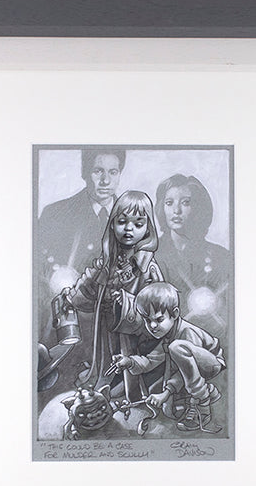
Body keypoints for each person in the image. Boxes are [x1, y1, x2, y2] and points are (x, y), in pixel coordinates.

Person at [62, 190, 164, 398]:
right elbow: (89, 288)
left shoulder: (147, 267)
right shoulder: (108, 260)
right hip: (106, 329)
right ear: (112, 224)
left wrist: (126, 303)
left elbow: (159, 304)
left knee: (128, 373)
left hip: (133, 334)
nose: (128, 228)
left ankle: (129, 392)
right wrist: (72, 295)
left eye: (138, 224)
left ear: (148, 229)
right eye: (122, 221)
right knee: (106, 364)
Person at [37, 148, 126, 342]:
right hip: (68, 330)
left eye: (113, 172)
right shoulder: (55, 215)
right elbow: (37, 276)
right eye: (98, 171)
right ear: (84, 173)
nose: (105, 180)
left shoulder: (135, 217)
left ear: (120, 174)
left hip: (117, 330)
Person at [111, 282, 225, 431]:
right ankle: (209, 391)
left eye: (159, 319)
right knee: (166, 408)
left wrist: (166, 392)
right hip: (193, 369)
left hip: (211, 364)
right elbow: (151, 361)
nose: (152, 326)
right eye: (148, 320)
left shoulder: (187, 333)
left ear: (175, 314)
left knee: (175, 348)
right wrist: (129, 362)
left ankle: (202, 405)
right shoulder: (168, 337)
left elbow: (187, 371)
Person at [154, 174, 230, 337]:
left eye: (185, 203)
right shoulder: (149, 255)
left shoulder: (221, 257)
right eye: (169, 203)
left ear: (198, 208)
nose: (176, 211)